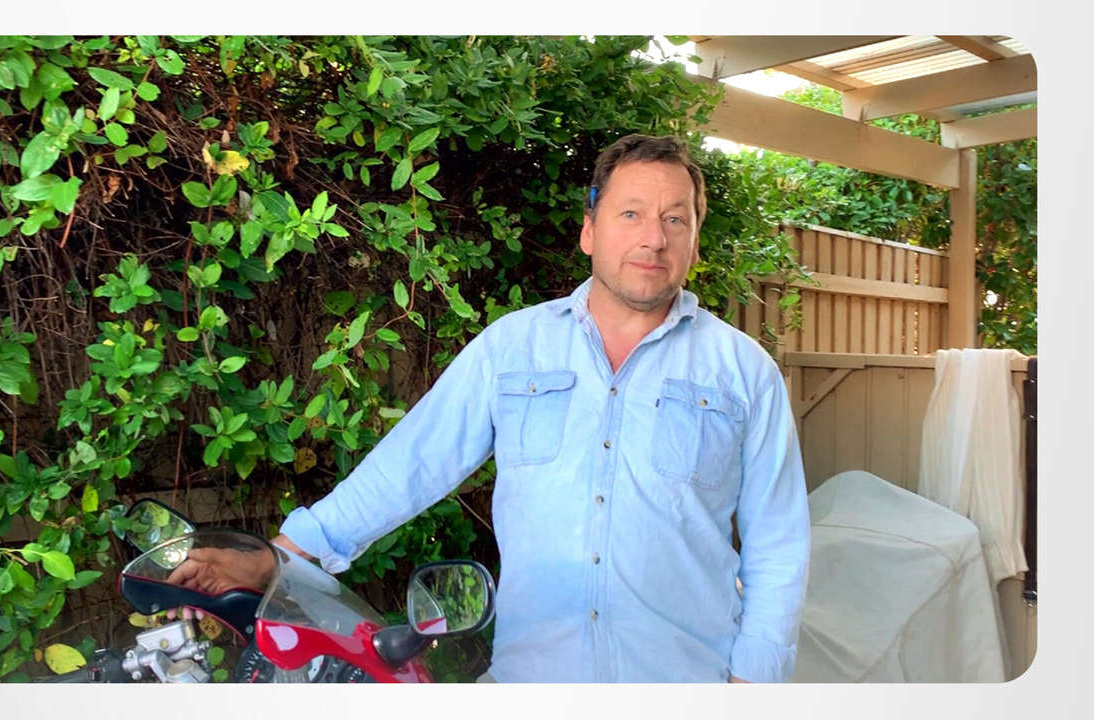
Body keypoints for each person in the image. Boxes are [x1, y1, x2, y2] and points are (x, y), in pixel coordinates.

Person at [178, 134, 810, 682]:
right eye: (632, 213)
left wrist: (753, 683)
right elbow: (411, 463)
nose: (654, 238)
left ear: (695, 242)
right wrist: (281, 559)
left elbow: (778, 543)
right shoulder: (513, 348)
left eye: (676, 219)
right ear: (590, 230)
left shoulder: (744, 372)